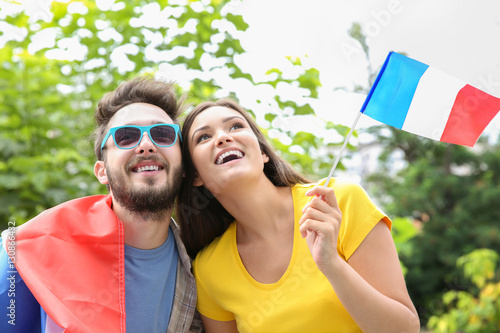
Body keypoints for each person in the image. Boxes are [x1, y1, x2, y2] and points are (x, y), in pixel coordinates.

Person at [176, 99, 420, 333]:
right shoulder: (209, 270)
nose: (223, 137)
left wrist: (331, 264)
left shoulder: (339, 202)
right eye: (204, 137)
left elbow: (405, 330)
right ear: (195, 175)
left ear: (263, 153)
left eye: (236, 126)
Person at [0, 77, 203, 332]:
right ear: (101, 171)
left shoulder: (204, 260)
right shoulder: (24, 251)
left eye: (163, 134)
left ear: (184, 165)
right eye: (126, 137)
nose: (146, 145)